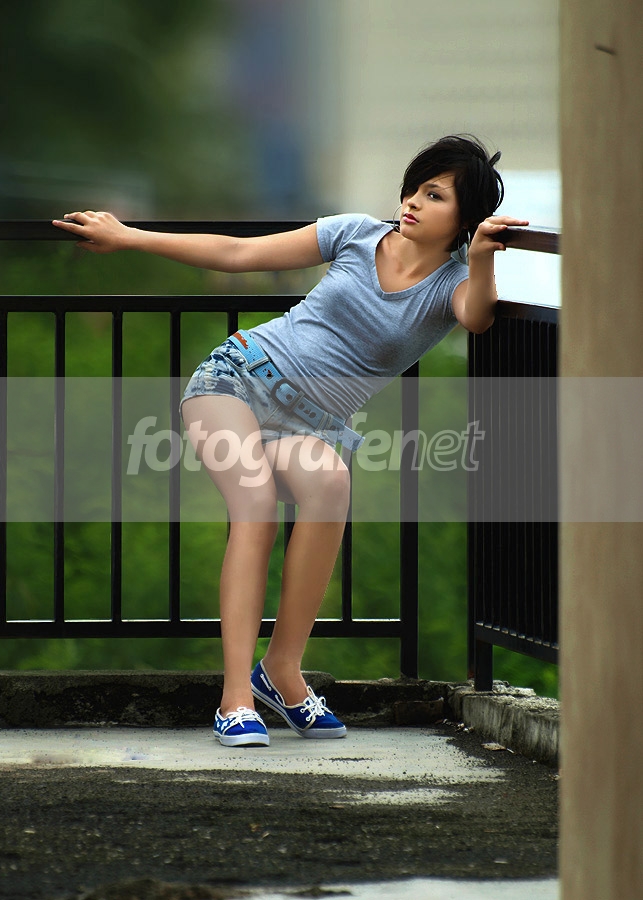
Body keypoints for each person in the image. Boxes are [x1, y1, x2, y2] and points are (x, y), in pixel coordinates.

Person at [53, 134, 527, 748]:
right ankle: (235, 698)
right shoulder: (354, 234)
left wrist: (483, 255)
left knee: (331, 481)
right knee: (254, 503)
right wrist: (130, 236)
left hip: (313, 423)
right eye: (413, 188)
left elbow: (478, 316)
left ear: (465, 218)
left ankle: (281, 670)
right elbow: (237, 252)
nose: (411, 201)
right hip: (237, 378)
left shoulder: (451, 284)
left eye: (433, 195)